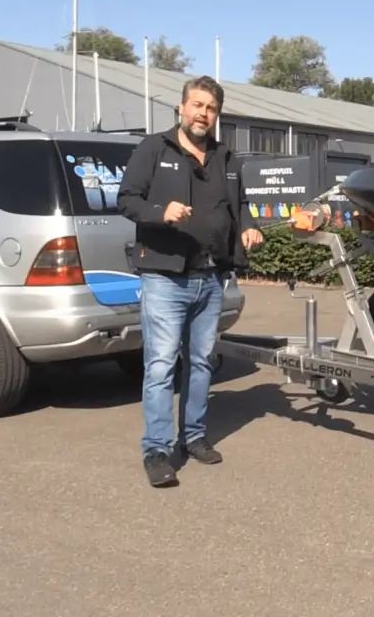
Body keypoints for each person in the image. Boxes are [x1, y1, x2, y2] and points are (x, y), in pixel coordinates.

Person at [116, 75, 264, 487]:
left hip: (211, 277)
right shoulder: (153, 149)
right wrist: (161, 211)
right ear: (181, 108)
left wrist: (249, 227)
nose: (203, 114)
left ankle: (194, 437)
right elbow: (127, 199)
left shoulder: (226, 158)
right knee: (161, 366)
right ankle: (157, 450)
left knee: (200, 363)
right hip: (165, 278)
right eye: (197, 105)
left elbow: (241, 205)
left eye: (211, 108)